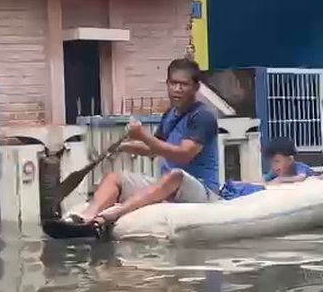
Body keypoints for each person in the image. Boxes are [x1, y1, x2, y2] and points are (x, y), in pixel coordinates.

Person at [74, 58, 219, 231]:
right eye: (173, 83)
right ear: (167, 84)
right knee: (114, 177)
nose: (177, 89)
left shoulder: (203, 116)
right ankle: (87, 217)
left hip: (200, 190)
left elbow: (183, 155)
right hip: (165, 185)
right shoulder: (170, 114)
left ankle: (118, 211)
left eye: (184, 85)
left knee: (175, 175)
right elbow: (154, 149)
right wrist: (124, 146)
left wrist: (142, 135)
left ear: (195, 87)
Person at [219, 137, 314, 199]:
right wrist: (241, 183)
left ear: (290, 160)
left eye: (277, 161)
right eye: (272, 162)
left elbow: (301, 177)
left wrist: (281, 180)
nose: (274, 166)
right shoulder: (274, 172)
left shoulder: (299, 167)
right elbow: (262, 180)